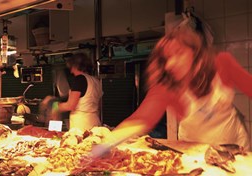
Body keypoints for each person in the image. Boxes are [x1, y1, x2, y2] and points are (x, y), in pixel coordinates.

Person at [94, 19, 252, 154]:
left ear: (194, 52)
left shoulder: (222, 63)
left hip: (234, 146)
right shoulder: (166, 86)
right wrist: (104, 145)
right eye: (166, 59)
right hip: (194, 151)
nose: (170, 64)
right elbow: (141, 120)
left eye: (178, 53)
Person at [48, 53, 103, 131]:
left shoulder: (79, 79)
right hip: (95, 121)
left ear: (75, 65)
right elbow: (98, 105)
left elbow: (71, 105)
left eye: (71, 66)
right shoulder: (96, 81)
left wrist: (55, 106)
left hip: (81, 124)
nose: (71, 70)